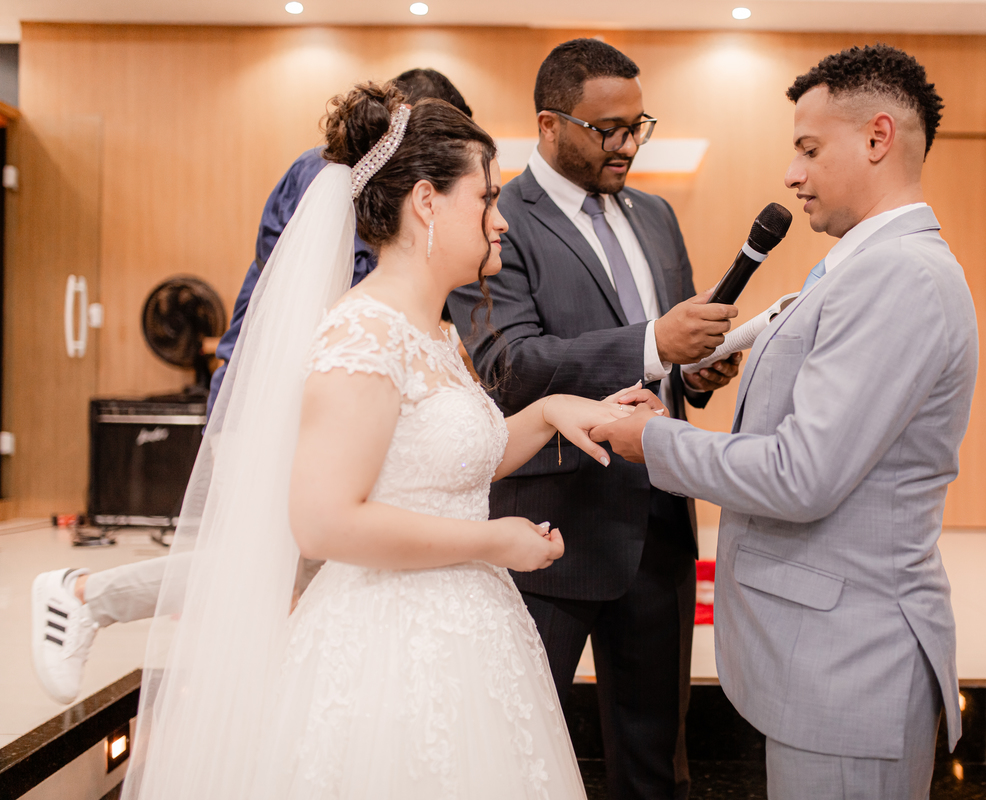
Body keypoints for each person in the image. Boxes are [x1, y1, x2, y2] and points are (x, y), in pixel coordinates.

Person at [126, 83, 653, 799]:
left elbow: (451, 465)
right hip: (387, 652)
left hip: (467, 634)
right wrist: (494, 542)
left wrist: (556, 408)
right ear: (428, 203)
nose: (501, 223)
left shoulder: (433, 331)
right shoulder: (363, 334)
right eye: (486, 200)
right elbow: (324, 521)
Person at [591, 44, 978, 799]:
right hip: (823, 659)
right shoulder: (859, 266)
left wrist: (654, 442)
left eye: (808, 149)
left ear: (876, 138)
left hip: (853, 669)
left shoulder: (899, 275)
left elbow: (801, 475)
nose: (792, 174)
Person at [30, 69, 472, 707]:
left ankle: (90, 599)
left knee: (286, 565)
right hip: (280, 401)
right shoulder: (331, 178)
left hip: (329, 399)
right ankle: (83, 596)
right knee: (264, 562)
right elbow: (333, 302)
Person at [447, 39, 741, 800]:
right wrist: (651, 344)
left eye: (638, 127)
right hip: (548, 527)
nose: (628, 145)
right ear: (550, 124)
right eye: (608, 129)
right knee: (519, 752)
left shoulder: (657, 215)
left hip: (659, 526)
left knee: (655, 763)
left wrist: (693, 369)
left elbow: (665, 364)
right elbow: (508, 366)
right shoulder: (495, 218)